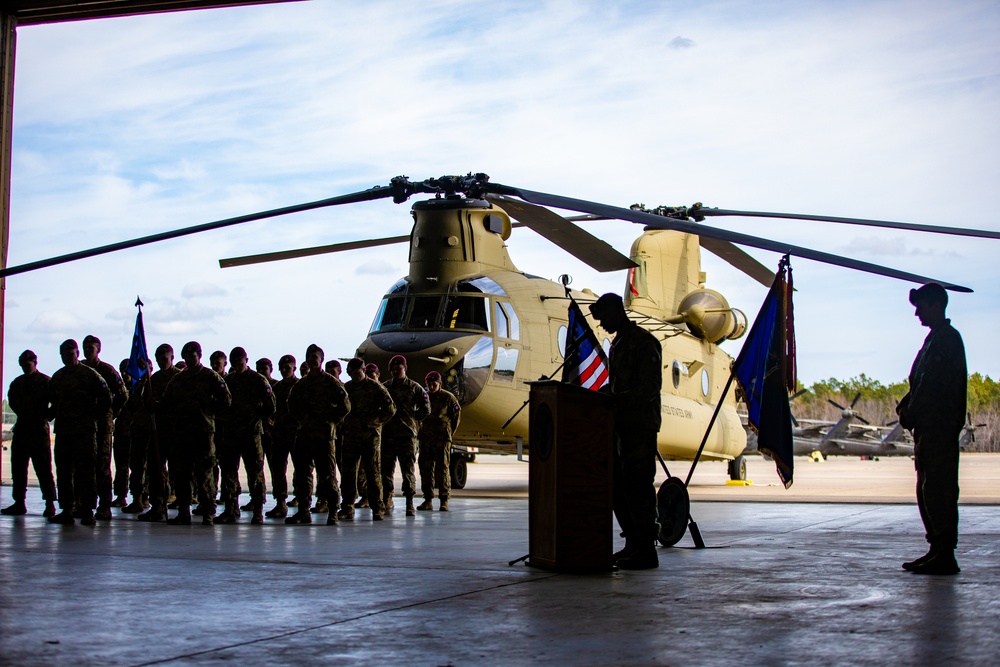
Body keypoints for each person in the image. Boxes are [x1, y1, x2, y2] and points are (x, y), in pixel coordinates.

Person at [896, 283, 967, 576]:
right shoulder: (934, 339)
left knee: (939, 490)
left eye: (921, 306)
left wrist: (909, 412)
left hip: (938, 428)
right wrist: (905, 408)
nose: (917, 313)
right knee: (927, 489)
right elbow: (918, 383)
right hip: (927, 429)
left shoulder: (947, 340)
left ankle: (945, 553)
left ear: (936, 306)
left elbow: (930, 388)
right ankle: (936, 548)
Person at [589, 292, 662, 570]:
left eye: (604, 317)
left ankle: (646, 550)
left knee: (638, 487)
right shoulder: (617, 345)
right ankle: (633, 544)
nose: (602, 324)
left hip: (639, 426)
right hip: (620, 425)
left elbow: (648, 389)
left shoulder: (644, 343)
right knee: (618, 488)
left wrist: (616, 399)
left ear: (617, 312)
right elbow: (619, 386)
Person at [161, 341, 231, 525]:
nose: (190, 359)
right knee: (182, 474)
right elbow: (166, 403)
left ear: (199, 356)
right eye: (187, 357)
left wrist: (209, 413)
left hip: (203, 433)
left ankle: (208, 511)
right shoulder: (178, 380)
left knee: (205, 474)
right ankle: (184, 512)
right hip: (182, 434)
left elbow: (226, 400)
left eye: (193, 356)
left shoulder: (210, 377)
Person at [48, 339, 112, 525]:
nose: (68, 356)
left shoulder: (89, 374)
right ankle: (67, 509)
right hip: (64, 431)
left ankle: (87, 510)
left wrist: (96, 416)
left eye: (71, 352)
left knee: (86, 472)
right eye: (64, 353)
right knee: (65, 472)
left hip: (85, 432)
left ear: (77, 353)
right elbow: (52, 402)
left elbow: (106, 397)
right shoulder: (58, 377)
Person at [286, 344, 350, 525]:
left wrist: (331, 422)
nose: (313, 360)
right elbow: (292, 406)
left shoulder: (331, 382)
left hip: (324, 437)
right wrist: (303, 420)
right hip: (305, 436)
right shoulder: (301, 384)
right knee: (303, 475)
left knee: (328, 476)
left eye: (316, 357)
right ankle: (303, 511)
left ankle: (332, 511)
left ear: (321, 359)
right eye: (310, 357)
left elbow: (345, 406)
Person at [216, 347, 275, 524]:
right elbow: (220, 404)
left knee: (255, 473)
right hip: (232, 434)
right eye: (234, 362)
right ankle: (231, 508)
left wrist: (255, 416)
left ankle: (258, 510)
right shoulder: (228, 381)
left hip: (251, 434)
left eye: (240, 362)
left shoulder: (258, 380)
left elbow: (271, 406)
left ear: (246, 360)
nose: (237, 365)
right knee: (229, 472)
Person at [338, 358, 395, 521]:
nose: (356, 376)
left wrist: (374, 423)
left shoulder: (376, 387)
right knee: (348, 473)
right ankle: (347, 507)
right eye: (353, 374)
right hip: (350, 437)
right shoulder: (347, 388)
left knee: (373, 472)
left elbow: (390, 409)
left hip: (370, 437)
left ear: (363, 371)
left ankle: (377, 508)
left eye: (358, 373)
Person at [2, 350, 57, 518]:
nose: (26, 366)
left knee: (43, 469)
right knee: (18, 469)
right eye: (23, 364)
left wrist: (46, 417)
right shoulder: (17, 383)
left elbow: (57, 402)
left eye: (29, 363)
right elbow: (12, 402)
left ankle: (49, 504)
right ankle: (19, 502)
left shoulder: (46, 382)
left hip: (39, 431)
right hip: (22, 429)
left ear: (35, 363)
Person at [82, 334, 127, 521]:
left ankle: (104, 505)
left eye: (91, 348)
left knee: (102, 467)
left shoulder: (106, 371)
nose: (87, 351)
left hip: (102, 427)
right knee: (84, 467)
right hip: (83, 426)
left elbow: (123, 395)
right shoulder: (79, 369)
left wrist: (110, 414)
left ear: (98, 350)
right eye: (85, 348)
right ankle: (84, 504)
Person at [381, 355, 431, 516]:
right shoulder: (385, 388)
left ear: (405, 368)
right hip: (388, 435)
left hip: (406, 436)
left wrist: (413, 419)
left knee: (407, 470)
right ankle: (387, 499)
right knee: (386, 470)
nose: (396, 371)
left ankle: (409, 502)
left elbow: (426, 408)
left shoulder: (415, 388)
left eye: (399, 368)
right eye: (393, 368)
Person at [137, 344, 182, 522]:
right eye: (160, 358)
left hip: (176, 431)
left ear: (172, 357)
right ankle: (157, 506)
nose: (164, 360)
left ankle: (183, 506)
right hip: (158, 431)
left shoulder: (180, 377)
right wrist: (150, 404)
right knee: (155, 470)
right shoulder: (153, 380)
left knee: (179, 471)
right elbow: (144, 403)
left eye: (166, 357)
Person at [416, 371, 460, 512]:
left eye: (434, 384)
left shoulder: (448, 398)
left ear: (440, 384)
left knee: (443, 469)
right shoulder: (424, 397)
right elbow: (418, 415)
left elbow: (456, 417)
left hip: (442, 439)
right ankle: (428, 499)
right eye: (429, 384)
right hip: (426, 439)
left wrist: (448, 434)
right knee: (425, 470)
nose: (431, 387)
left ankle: (444, 500)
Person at [265, 354, 298, 518]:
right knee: (278, 470)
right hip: (279, 435)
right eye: (283, 368)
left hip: (297, 435)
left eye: (288, 367)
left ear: (294, 369)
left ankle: (302, 504)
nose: (285, 370)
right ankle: (281, 503)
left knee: (301, 470)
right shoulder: (276, 389)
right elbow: (269, 410)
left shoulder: (300, 387)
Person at [112, 359, 134, 508]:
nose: (124, 373)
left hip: (135, 433)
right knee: (121, 467)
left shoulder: (139, 388)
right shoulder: (118, 389)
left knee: (139, 467)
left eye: (127, 370)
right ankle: (121, 496)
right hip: (120, 432)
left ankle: (142, 496)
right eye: (122, 370)